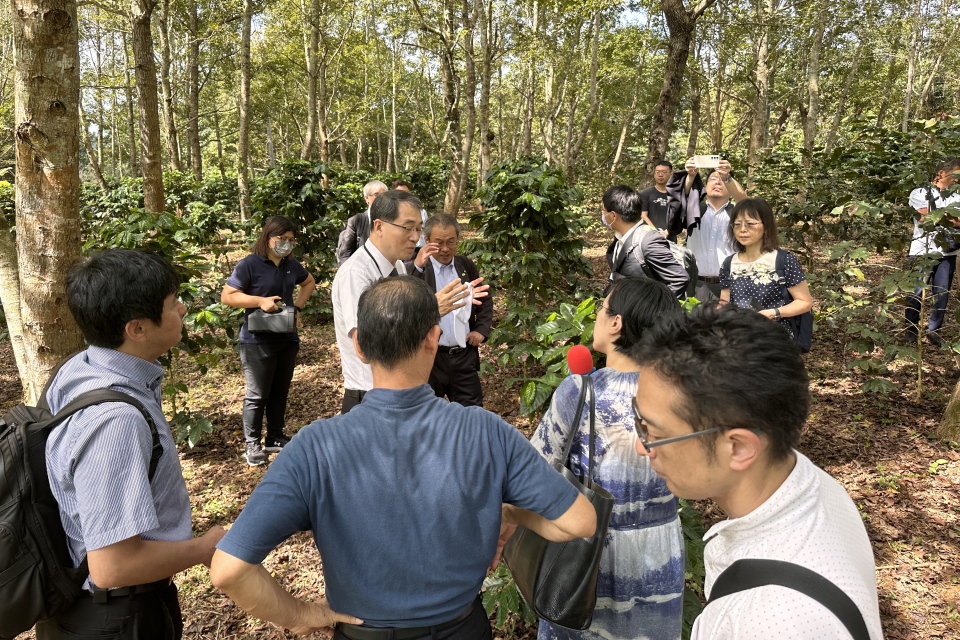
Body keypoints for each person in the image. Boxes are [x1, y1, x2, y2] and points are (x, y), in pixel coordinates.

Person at [210, 276, 597, 640]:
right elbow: (580, 521)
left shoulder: (315, 447)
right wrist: (511, 513)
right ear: (433, 338)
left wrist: (302, 616)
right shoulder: (485, 431)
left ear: (359, 345)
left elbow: (229, 570)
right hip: (461, 627)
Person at [631, 304, 883, 640]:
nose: (641, 446)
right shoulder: (814, 486)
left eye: (654, 433)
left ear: (738, 447)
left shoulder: (772, 621)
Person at [38, 248, 226, 640]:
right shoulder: (115, 420)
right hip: (116, 618)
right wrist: (204, 548)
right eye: (173, 304)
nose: (183, 310)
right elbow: (113, 566)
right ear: (136, 329)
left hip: (98, 609)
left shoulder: (82, 366)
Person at [531, 277, 685, 640]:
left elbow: (538, 467)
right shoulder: (683, 392)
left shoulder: (582, 390)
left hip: (592, 550)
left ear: (616, 323)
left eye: (603, 309)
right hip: (661, 546)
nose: (598, 316)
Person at [332, 189, 488, 413]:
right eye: (407, 228)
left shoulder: (394, 266)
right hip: (370, 399)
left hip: (397, 394)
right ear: (378, 226)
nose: (416, 237)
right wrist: (430, 310)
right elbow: (366, 348)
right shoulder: (356, 274)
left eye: (418, 228)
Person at [222, 215, 316, 466]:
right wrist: (259, 301)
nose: (286, 243)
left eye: (290, 240)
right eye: (281, 239)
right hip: (257, 340)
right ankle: (252, 443)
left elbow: (308, 282)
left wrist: (297, 308)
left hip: (287, 337)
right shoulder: (250, 264)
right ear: (268, 237)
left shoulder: (290, 265)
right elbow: (228, 296)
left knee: (279, 391)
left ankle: (275, 436)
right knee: (257, 394)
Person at [411, 213, 493, 407]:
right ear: (427, 240)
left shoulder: (465, 265)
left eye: (451, 242)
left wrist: (481, 330)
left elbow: (484, 299)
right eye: (439, 243)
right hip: (430, 360)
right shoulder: (418, 270)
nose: (446, 249)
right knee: (429, 417)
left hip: (463, 357)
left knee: (472, 416)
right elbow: (407, 310)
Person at [719, 198, 812, 338]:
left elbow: (804, 302)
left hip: (776, 341)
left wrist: (773, 312)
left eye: (750, 224)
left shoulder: (784, 260)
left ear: (766, 226)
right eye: (737, 224)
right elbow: (724, 303)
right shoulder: (729, 263)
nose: (743, 229)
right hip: (739, 341)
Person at [667, 158, 748, 301]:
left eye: (722, 180)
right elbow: (678, 202)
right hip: (696, 284)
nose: (718, 182)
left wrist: (727, 177)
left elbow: (747, 202)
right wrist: (690, 176)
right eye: (713, 179)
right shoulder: (694, 211)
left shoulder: (737, 213)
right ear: (705, 185)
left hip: (730, 286)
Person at [905, 158, 960, 346]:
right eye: (956, 174)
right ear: (943, 172)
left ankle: (934, 330)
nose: (957, 179)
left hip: (947, 253)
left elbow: (936, 216)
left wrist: (938, 214)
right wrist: (950, 217)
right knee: (916, 291)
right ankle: (910, 329)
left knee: (942, 293)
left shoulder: (956, 197)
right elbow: (923, 217)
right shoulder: (920, 192)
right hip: (922, 249)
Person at [602, 184, 688, 298]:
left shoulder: (648, 241)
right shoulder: (621, 237)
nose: (603, 215)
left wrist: (651, 311)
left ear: (613, 215)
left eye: (603, 211)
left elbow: (679, 279)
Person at [336, 180, 388, 265]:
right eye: (376, 194)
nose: (381, 198)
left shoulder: (393, 219)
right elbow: (345, 253)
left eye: (384, 194)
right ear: (366, 197)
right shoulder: (357, 221)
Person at [640, 160, 680, 242]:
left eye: (664, 172)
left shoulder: (676, 195)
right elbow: (643, 215)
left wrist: (667, 232)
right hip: (649, 237)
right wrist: (656, 232)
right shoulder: (646, 193)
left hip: (670, 238)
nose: (660, 175)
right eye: (657, 172)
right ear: (654, 175)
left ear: (671, 174)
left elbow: (678, 217)